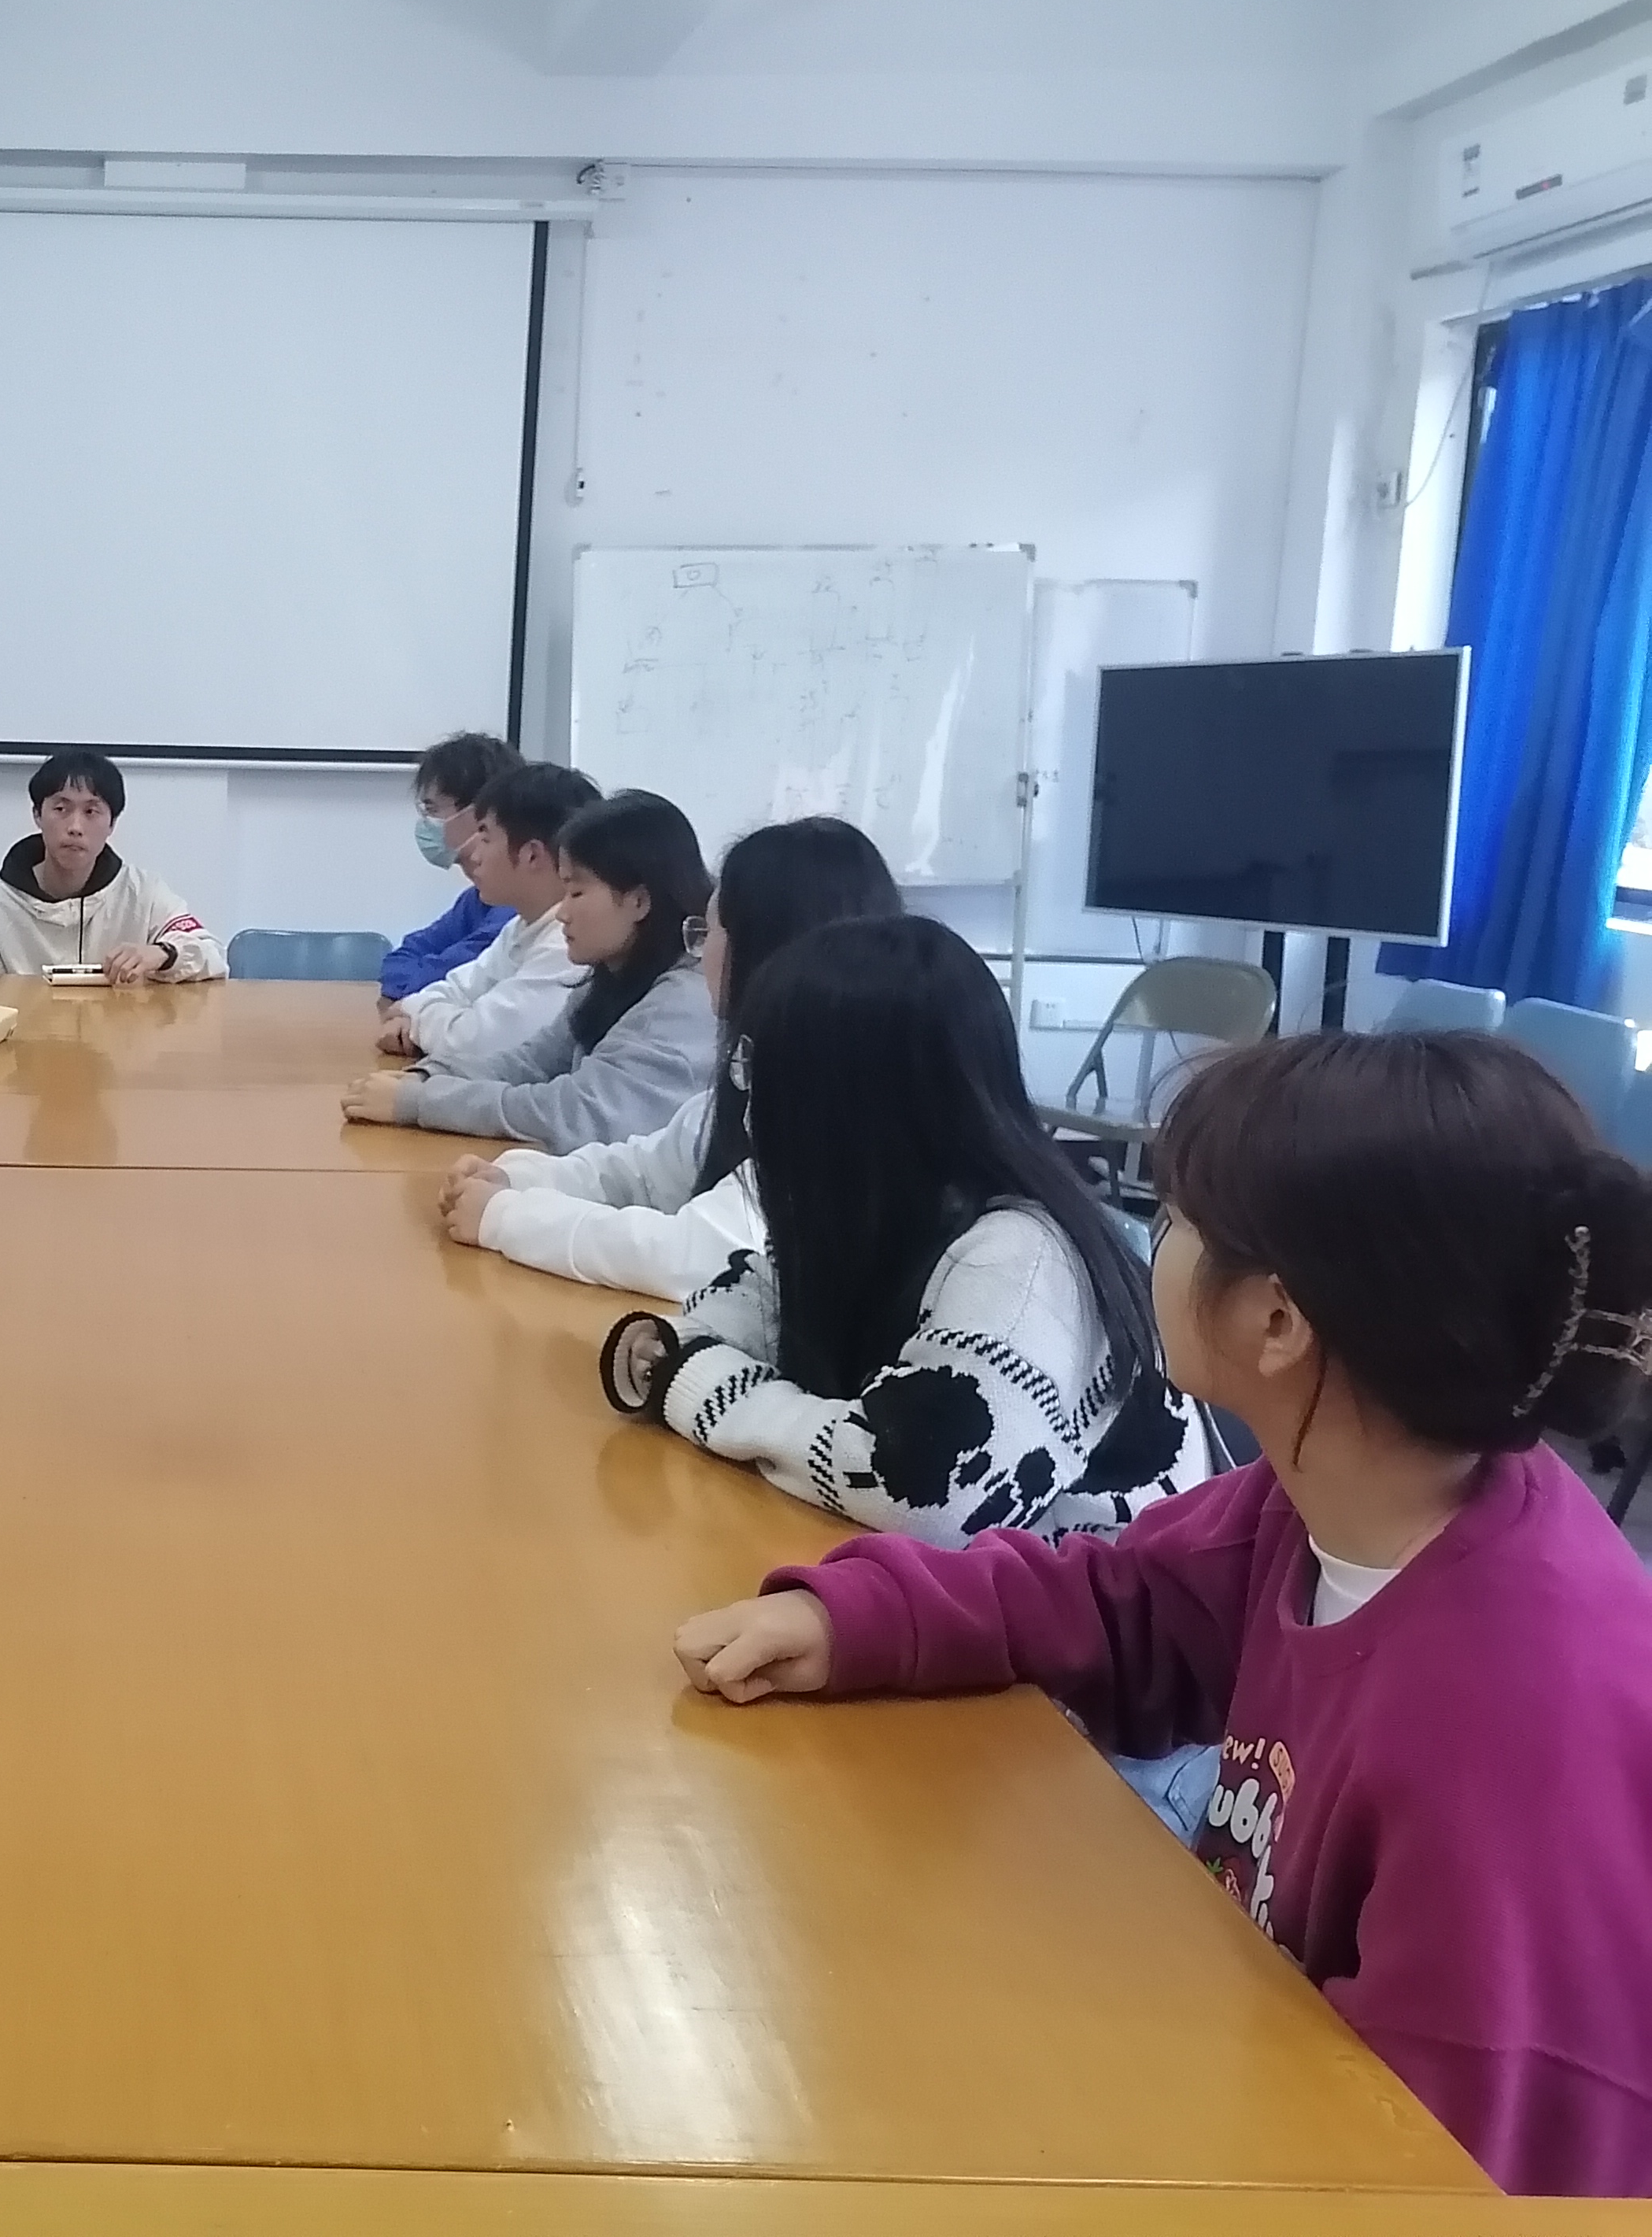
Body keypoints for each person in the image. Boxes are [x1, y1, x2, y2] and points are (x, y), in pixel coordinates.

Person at [674, 1030, 1652, 2198]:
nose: (1150, 1239)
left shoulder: (1512, 1735)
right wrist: (864, 1620)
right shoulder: (1334, 1496)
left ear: (1278, 1321)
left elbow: (1446, 2172)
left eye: (1178, 1219)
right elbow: (1122, 1599)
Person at [608, 914, 1213, 1547]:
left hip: (1107, 1605)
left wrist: (688, 1381)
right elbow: (702, 1327)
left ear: (847, 1106)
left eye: (764, 1073)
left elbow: (919, 1494)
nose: (751, 1109)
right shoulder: (876, 1219)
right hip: (951, 1586)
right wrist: (688, 1365)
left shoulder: (1023, 1258)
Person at [438, 817, 900, 1297]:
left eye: (707, 932)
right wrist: (518, 1176)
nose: (699, 954)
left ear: (761, 947)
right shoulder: (765, 1063)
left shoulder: (841, 1097)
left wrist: (506, 1216)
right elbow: (648, 1170)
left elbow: (694, 1258)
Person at [342, 789, 713, 1153]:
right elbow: (531, 1061)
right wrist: (426, 1076)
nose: (563, 913)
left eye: (576, 893)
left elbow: (572, 1111)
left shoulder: (682, 1002)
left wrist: (420, 1101)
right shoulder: (612, 975)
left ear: (639, 901)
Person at [378, 761, 597, 1066]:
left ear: (531, 855)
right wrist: (419, 1011)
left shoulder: (568, 943)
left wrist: (416, 1021)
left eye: (485, 837)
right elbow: (457, 987)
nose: (474, 854)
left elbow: (477, 1044)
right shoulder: (523, 925)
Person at [0, 750, 225, 983]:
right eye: (61, 809)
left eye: (91, 812)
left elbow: (212, 955)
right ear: (37, 815)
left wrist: (163, 954)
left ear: (112, 824)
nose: (75, 827)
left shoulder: (143, 894)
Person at [378, 730, 521, 1001]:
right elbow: (402, 957)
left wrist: (414, 986)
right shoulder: (476, 899)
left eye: (432, 810)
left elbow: (440, 980)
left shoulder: (516, 907)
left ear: (478, 813)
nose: (426, 823)